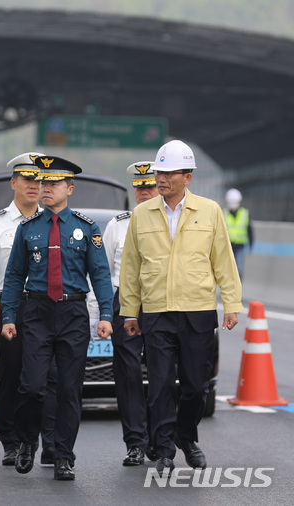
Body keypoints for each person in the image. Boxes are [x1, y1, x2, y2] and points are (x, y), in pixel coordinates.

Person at [119, 140, 243, 477]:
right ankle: (163, 450)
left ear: (187, 177)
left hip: (198, 310)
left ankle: (185, 437)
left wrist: (231, 303)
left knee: (195, 386)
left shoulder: (210, 211)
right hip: (156, 311)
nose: (161, 179)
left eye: (169, 173)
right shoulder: (142, 215)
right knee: (159, 384)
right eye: (159, 172)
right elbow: (130, 267)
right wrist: (130, 312)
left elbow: (224, 261)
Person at [1, 155, 113, 481]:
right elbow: (13, 276)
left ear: (70, 188)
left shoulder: (86, 228)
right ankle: (26, 442)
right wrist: (9, 316)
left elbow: (101, 275)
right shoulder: (28, 229)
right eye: (42, 183)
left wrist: (105, 314)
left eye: (53, 184)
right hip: (36, 312)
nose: (44, 188)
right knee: (32, 386)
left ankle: (64, 455)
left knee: (69, 389)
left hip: (74, 313)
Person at [0, 152, 58, 467]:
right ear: (14, 183)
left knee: (50, 375)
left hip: (47, 305)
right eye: (27, 179)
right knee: (11, 374)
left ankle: (48, 441)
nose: (34, 186)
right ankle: (13, 441)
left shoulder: (53, 220)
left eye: (39, 180)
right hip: (11, 305)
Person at [89, 161, 159, 466]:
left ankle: (160, 439)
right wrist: (99, 311)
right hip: (124, 303)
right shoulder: (118, 224)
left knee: (161, 373)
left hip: (160, 304)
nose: (144, 193)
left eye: (150, 187)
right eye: (140, 188)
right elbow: (100, 272)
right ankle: (135, 443)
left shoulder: (173, 223)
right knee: (128, 374)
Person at [224, 188, 253, 281]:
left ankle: (238, 289)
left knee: (239, 269)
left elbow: (249, 229)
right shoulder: (223, 213)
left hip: (240, 246)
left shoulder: (244, 213)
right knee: (226, 270)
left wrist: (251, 244)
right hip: (227, 246)